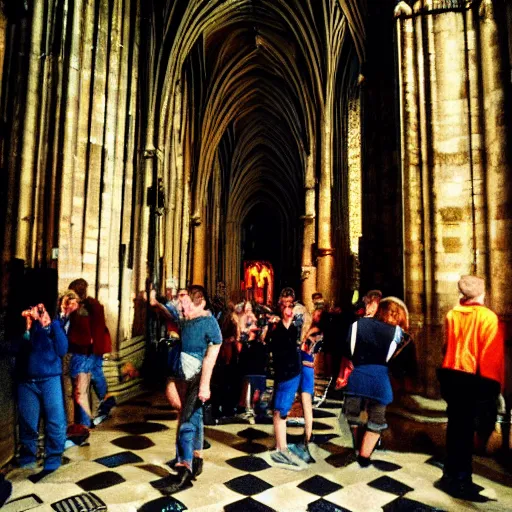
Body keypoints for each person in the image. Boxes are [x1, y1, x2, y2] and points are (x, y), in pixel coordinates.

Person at [435, 276, 504, 502]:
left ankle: (451, 475)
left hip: (452, 376)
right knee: (468, 432)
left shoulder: (452, 314)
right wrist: (496, 388)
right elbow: (491, 355)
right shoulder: (488, 317)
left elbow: (446, 346)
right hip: (476, 378)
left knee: (456, 428)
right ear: (482, 293)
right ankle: (461, 481)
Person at [152, 285, 222, 494]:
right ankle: (196, 459)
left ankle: (184, 470)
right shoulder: (188, 319)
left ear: (199, 302)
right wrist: (155, 301)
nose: (182, 309)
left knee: (186, 423)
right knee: (193, 418)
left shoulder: (209, 323)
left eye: (186, 304)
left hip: (197, 377)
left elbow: (210, 358)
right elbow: (169, 312)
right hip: (183, 375)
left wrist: (205, 385)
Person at [337, 296, 411, 468]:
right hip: (380, 379)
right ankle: (364, 456)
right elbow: (394, 356)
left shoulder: (357, 326)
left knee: (353, 415)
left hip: (359, 376)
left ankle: (356, 448)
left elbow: (349, 351)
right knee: (377, 419)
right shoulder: (397, 332)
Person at [16, 303, 68, 474]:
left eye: (40, 308)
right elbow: (15, 348)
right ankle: (27, 458)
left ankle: (53, 458)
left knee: (55, 420)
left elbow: (62, 349)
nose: (37, 312)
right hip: (26, 380)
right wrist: (28, 330)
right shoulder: (22, 323)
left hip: (50, 378)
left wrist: (50, 325)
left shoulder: (53, 324)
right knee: (28, 422)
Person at [267, 294, 308, 470]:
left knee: (283, 410)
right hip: (285, 374)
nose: (290, 309)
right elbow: (274, 350)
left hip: (293, 372)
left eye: (291, 305)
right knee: (280, 411)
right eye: (286, 306)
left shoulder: (292, 328)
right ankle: (281, 448)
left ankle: (281, 446)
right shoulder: (277, 330)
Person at [67, 279, 115, 428]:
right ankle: (105, 400)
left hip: (86, 350)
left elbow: (84, 332)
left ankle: (84, 422)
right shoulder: (93, 305)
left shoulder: (83, 309)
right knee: (93, 375)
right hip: (94, 349)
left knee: (81, 386)